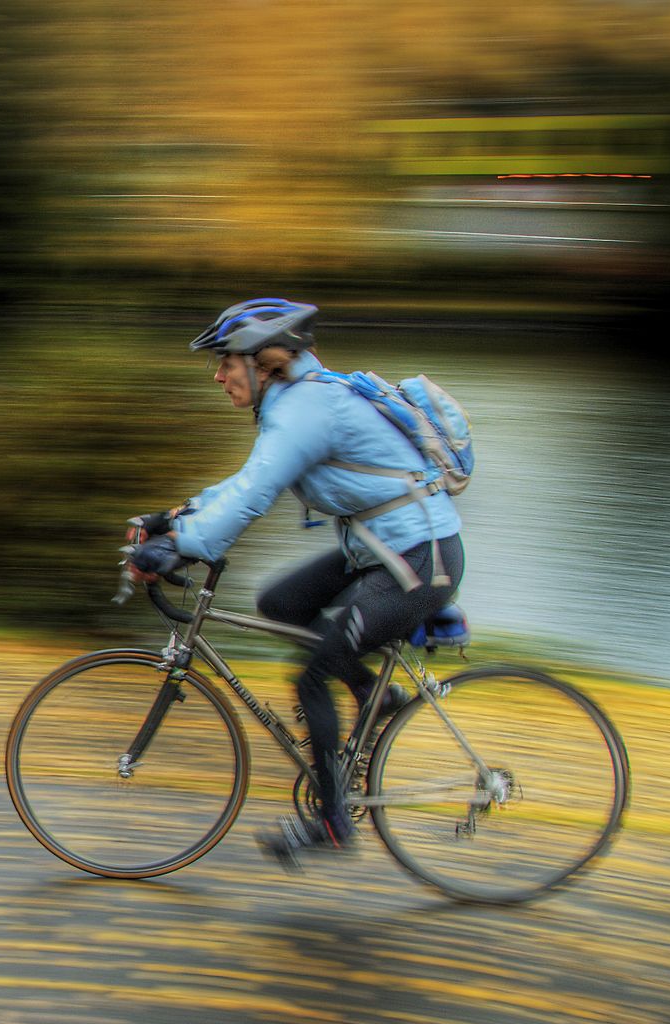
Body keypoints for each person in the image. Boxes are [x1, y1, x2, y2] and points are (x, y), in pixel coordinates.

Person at [123, 298, 464, 871]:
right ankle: (373, 697)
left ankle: (332, 823)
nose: (219, 374)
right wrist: (173, 518)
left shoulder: (306, 409)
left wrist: (181, 545)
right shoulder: (294, 402)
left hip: (419, 562)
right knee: (280, 602)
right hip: (383, 555)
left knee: (311, 678)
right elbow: (248, 481)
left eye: (227, 361)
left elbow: (255, 495)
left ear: (264, 361)